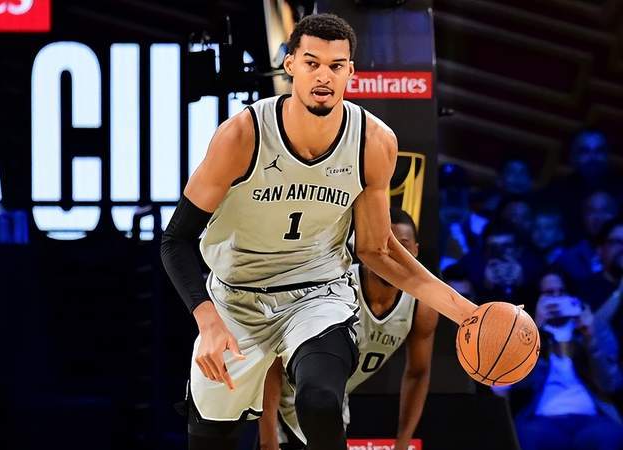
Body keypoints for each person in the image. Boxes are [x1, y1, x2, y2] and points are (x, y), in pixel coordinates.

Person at [160, 13, 476, 450]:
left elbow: (378, 250)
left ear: (351, 71)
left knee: (321, 400)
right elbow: (175, 240)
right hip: (236, 298)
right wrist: (208, 321)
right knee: (211, 436)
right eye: (312, 63)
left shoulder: (373, 142)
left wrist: (468, 313)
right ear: (290, 64)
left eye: (335, 65)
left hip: (317, 294)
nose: (323, 76)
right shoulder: (242, 135)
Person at [258, 208, 439, 450]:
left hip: (332, 402)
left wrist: (403, 442)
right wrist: (268, 438)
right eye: (384, 245)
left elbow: (418, 373)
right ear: (366, 247)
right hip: (276, 402)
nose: (392, 255)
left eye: (402, 247)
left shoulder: (421, 307)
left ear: (415, 251)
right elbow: (272, 360)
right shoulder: (337, 285)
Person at [502, 271, 623, 450]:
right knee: (529, 436)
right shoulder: (525, 331)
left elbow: (611, 383)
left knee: (609, 436)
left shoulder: (595, 326)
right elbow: (519, 383)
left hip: (591, 416)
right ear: (538, 298)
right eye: (549, 293)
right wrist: (536, 330)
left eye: (561, 292)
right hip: (543, 418)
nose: (556, 298)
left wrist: (590, 338)